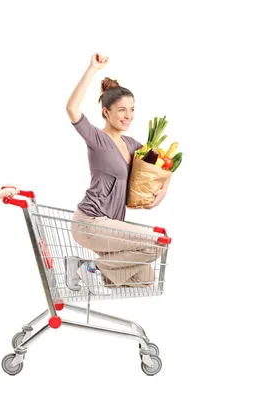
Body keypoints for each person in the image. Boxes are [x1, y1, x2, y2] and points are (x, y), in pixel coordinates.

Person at [64, 53, 168, 295]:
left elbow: (162, 166)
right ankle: (92, 269)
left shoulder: (132, 144)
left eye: (131, 109)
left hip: (112, 225)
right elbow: (71, 108)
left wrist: (163, 189)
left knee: (145, 280)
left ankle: (83, 268)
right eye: (121, 110)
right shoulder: (97, 139)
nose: (128, 115)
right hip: (90, 222)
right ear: (105, 112)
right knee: (158, 242)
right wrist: (92, 68)